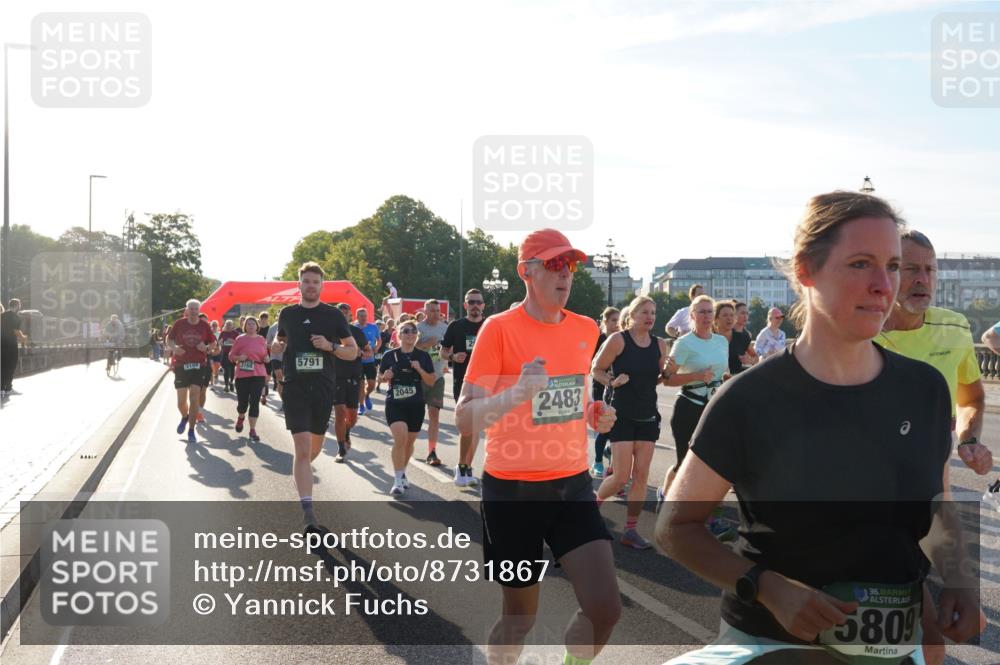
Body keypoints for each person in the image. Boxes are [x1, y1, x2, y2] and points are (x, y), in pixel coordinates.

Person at [655, 191, 985, 665]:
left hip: (891, 649)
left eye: (892, 265)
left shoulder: (926, 389)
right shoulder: (749, 398)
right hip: (770, 646)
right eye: (860, 264)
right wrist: (767, 588)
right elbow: (675, 527)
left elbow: (936, 505)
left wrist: (957, 577)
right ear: (806, 271)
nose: (883, 285)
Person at [456, 228, 619, 665]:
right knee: (519, 619)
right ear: (525, 272)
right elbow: (464, 417)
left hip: (572, 486)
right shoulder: (499, 329)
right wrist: (516, 394)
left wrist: (594, 415)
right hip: (513, 491)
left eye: (568, 265)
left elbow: (574, 398)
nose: (563, 273)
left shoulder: (585, 329)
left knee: (605, 608)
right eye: (552, 264)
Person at [875, 230, 992, 476]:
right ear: (888, 273)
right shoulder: (859, 332)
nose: (922, 279)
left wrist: (969, 439)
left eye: (930, 270)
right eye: (911, 269)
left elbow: (971, 400)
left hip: (933, 482)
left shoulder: (955, 327)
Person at [272, 262, 357, 528]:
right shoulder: (286, 314)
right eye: (306, 281)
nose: (310, 286)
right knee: (303, 448)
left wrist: (330, 346)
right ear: (298, 284)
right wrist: (277, 345)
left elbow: (352, 351)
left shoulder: (333, 316)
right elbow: (282, 340)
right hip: (295, 387)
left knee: (313, 450)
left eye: (315, 282)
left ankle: (302, 471)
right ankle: (308, 513)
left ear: (321, 286)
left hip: (323, 389)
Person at [592, 296, 674, 550]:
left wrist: (671, 370)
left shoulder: (660, 344)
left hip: (648, 416)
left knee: (640, 476)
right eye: (644, 312)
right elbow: (596, 368)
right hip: (622, 415)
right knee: (620, 477)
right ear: (632, 316)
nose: (650, 317)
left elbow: (664, 378)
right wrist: (611, 382)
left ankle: (630, 530)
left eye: (653, 312)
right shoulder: (618, 340)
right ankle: (592, 509)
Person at [656, 295, 728, 508]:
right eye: (702, 312)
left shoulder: (721, 341)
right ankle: (667, 497)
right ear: (692, 316)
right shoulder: (684, 343)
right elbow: (667, 380)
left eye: (709, 311)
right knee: (684, 464)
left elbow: (721, 373)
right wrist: (695, 376)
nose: (706, 316)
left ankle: (706, 513)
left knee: (711, 463)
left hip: (713, 408)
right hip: (688, 407)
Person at [379, 323, 436, 495]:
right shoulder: (389, 355)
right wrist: (385, 377)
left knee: (409, 443)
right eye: (406, 331)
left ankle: (402, 472)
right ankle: (397, 480)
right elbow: (380, 378)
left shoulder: (423, 356)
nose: (410, 334)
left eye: (413, 331)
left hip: (416, 404)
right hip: (395, 403)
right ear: (399, 335)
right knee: (400, 438)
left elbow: (431, 381)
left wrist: (419, 369)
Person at [441, 289, 487, 486]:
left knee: (476, 427)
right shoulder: (456, 326)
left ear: (483, 305)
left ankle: (467, 467)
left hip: (486, 381)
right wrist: (452, 357)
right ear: (465, 305)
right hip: (463, 380)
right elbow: (442, 352)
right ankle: (461, 466)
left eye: (478, 302)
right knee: (467, 425)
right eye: (471, 302)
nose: (475, 305)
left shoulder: (489, 325)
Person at [166, 300, 216, 443]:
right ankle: (184, 417)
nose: (194, 311)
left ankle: (191, 430)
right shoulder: (179, 324)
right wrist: (175, 349)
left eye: (196, 309)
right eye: (191, 309)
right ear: (187, 310)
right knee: (181, 402)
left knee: (194, 398)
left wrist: (206, 348)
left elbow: (213, 344)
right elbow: (169, 340)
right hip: (181, 365)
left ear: (199, 310)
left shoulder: (204, 325)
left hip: (198, 365)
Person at [333, 303, 370, 462]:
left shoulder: (356, 332)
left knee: (352, 418)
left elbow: (369, 351)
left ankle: (346, 433)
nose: (343, 316)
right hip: (336, 378)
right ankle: (341, 448)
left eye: (345, 313)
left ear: (349, 315)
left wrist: (362, 352)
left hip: (354, 378)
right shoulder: (329, 332)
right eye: (339, 313)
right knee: (340, 413)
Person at [416, 299, 449, 467]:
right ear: (426, 311)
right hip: (419, 377)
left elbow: (450, 350)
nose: (436, 313)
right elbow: (410, 350)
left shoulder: (445, 328)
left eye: (438, 310)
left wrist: (448, 360)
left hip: (437, 378)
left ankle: (432, 451)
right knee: (416, 415)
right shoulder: (418, 328)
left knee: (434, 415)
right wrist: (426, 344)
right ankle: (408, 444)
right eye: (432, 311)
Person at [589, 307, 620, 479]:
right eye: (613, 320)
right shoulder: (599, 339)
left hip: (617, 388)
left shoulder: (622, 339)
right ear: (605, 322)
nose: (617, 324)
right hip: (600, 387)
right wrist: (604, 374)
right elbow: (591, 364)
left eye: (619, 320)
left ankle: (611, 457)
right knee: (604, 427)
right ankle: (598, 461)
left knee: (616, 426)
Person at [229, 316, 268, 441]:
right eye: (248, 324)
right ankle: (241, 417)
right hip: (243, 374)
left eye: (253, 324)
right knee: (243, 403)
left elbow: (264, 354)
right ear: (245, 326)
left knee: (255, 401)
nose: (251, 326)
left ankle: (252, 430)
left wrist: (266, 358)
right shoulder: (240, 339)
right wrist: (239, 358)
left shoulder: (262, 339)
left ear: (257, 326)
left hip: (258, 373)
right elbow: (231, 355)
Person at [716, 300, 757, 377]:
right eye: (725, 315)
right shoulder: (708, 338)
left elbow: (755, 357)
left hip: (736, 382)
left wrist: (750, 360)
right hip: (714, 383)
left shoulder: (743, 337)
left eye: (731, 315)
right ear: (716, 319)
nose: (729, 318)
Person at [356, 307, 381, 415]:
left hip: (370, 360)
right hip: (358, 361)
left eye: (365, 315)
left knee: (371, 385)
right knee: (361, 384)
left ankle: (367, 396)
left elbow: (379, 340)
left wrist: (377, 347)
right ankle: (361, 406)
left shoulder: (373, 327)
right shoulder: (354, 327)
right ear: (357, 317)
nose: (363, 318)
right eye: (361, 316)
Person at [1, 299, 27, 396]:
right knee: (11, 365)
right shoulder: (16, 317)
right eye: (19, 305)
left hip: (1, 344)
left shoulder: (2, 315)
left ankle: (1, 388)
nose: (20, 306)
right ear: (17, 305)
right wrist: (23, 337)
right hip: (11, 345)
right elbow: (16, 331)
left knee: (2, 365)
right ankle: (8, 388)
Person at [264, 319, 285, 404]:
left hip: (288, 358)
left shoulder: (292, 324)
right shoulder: (272, 328)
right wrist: (274, 346)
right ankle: (284, 402)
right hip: (275, 357)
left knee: (288, 379)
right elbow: (267, 343)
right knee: (279, 378)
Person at [218, 320, 240, 392]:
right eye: (227, 324)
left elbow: (240, 342)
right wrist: (220, 343)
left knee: (232, 369)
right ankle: (226, 385)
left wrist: (233, 341)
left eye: (230, 324)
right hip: (225, 353)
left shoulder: (235, 333)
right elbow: (219, 341)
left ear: (232, 326)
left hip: (233, 354)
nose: (228, 326)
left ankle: (231, 382)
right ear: (225, 325)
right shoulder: (223, 333)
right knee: (226, 370)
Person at [209, 319, 222, 386]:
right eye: (213, 325)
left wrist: (218, 347)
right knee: (211, 365)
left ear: (217, 326)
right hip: (210, 351)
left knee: (217, 365)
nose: (214, 326)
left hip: (218, 351)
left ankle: (216, 375)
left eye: (215, 325)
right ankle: (212, 381)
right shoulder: (208, 333)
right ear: (211, 325)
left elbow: (221, 342)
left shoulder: (219, 333)